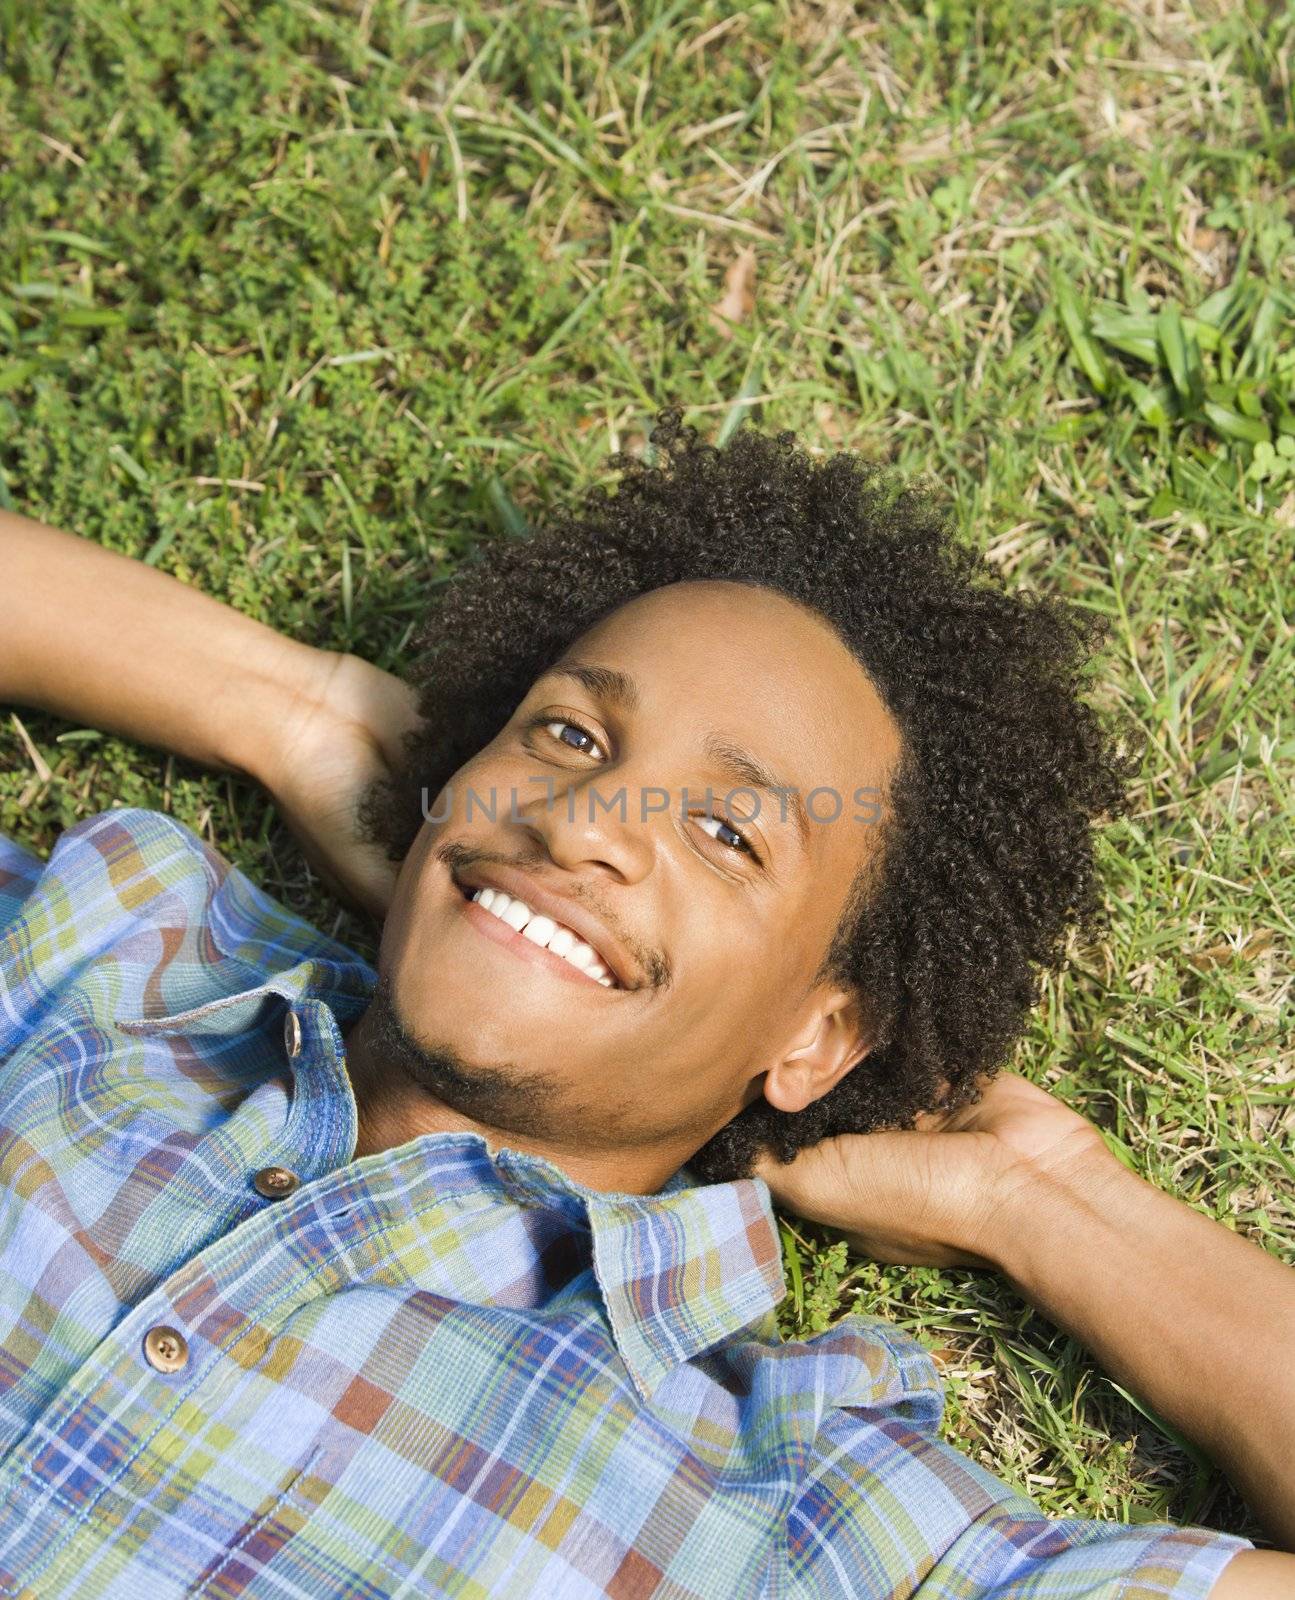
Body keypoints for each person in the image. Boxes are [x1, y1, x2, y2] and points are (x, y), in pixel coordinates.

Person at [0, 410, 1290, 1598]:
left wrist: (1050, 1200)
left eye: (729, 831)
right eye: (565, 735)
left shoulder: (789, 1510)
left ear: (816, 1036)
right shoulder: (115, 940)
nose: (586, 820)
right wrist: (292, 707)